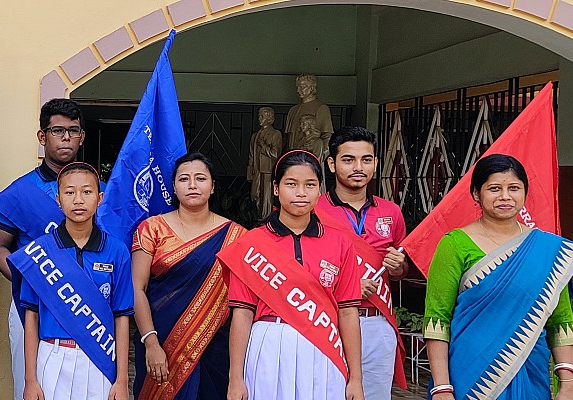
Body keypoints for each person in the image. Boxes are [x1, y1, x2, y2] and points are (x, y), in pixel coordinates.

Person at [424, 154, 573, 400]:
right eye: (494, 189)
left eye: (514, 188)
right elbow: (437, 320)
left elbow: (560, 321)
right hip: (469, 375)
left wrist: (568, 384)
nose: (505, 196)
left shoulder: (546, 250)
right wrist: (442, 387)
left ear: (525, 192)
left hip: (530, 370)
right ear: (476, 194)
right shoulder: (455, 245)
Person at [222, 150, 365, 400]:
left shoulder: (340, 243)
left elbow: (348, 312)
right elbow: (242, 314)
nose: (301, 192)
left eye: (310, 185)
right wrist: (235, 378)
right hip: (269, 346)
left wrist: (356, 379)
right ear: (276, 188)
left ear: (320, 191)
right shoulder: (253, 244)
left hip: (324, 348)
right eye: (291, 184)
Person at [0, 99, 89, 400]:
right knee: (32, 387)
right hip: (31, 303)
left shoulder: (96, 190)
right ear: (42, 137)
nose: (66, 138)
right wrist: (30, 280)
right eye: (58, 131)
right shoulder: (21, 192)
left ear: (82, 137)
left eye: (73, 131)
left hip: (85, 305)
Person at [14, 162, 132, 400]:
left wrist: (121, 380)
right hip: (52, 357)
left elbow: (121, 315)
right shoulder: (41, 252)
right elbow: (31, 316)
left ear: (99, 198)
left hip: (99, 358)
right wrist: (30, 380)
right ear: (58, 200)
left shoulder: (116, 251)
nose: (78, 200)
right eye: (69, 192)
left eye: (87, 192)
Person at [130, 152, 243, 400]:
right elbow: (137, 289)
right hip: (160, 346)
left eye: (200, 178)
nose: (192, 185)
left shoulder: (237, 237)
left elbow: (242, 304)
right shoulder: (152, 229)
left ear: (213, 186)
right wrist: (151, 342)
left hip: (215, 349)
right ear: (173, 187)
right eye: (184, 179)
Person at [314, 126, 408, 400]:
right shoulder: (313, 210)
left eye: (366, 159)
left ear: (376, 163)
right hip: (327, 322)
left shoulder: (391, 212)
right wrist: (348, 286)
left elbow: (401, 272)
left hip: (376, 321)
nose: (358, 167)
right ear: (331, 164)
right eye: (348, 159)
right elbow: (299, 270)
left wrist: (398, 267)